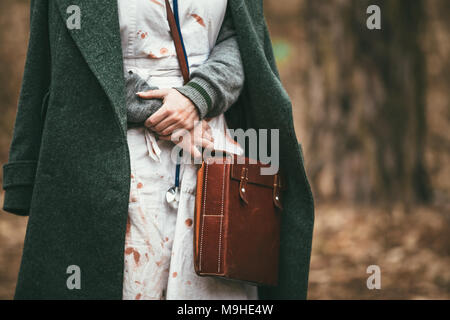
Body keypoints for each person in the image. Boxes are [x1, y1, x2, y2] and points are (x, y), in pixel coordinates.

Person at [2, 0, 314, 300]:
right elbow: (72, 65)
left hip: (212, 151)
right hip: (110, 151)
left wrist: (198, 96)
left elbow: (243, 37)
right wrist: (169, 114)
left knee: (213, 281)